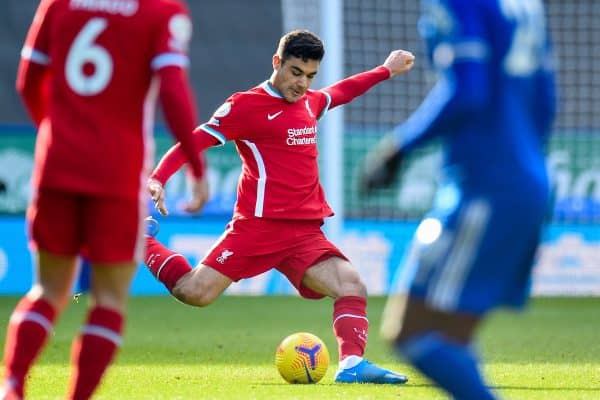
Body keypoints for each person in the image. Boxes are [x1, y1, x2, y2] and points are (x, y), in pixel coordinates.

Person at [143, 29, 415, 384]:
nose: (302, 84)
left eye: (310, 76)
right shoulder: (245, 106)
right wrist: (159, 177)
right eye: (295, 72)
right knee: (193, 293)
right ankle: (140, 241)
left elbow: (342, 91)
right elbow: (192, 141)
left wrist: (385, 70)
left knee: (352, 285)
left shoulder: (309, 102)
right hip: (257, 228)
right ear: (277, 63)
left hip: (304, 232)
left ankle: (351, 366)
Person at [1, 0, 208, 399]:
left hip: (56, 165)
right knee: (109, 299)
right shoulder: (161, 11)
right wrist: (196, 169)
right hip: (116, 172)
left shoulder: (58, 3)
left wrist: (58, 133)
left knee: (47, 291)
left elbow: (27, 81)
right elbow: (172, 89)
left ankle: (11, 385)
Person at [360, 0, 557, 398]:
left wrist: (398, 148)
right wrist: (527, 164)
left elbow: (468, 92)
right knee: (452, 337)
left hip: (485, 184)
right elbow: (546, 99)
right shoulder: (524, 7)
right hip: (529, 180)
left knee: (411, 332)